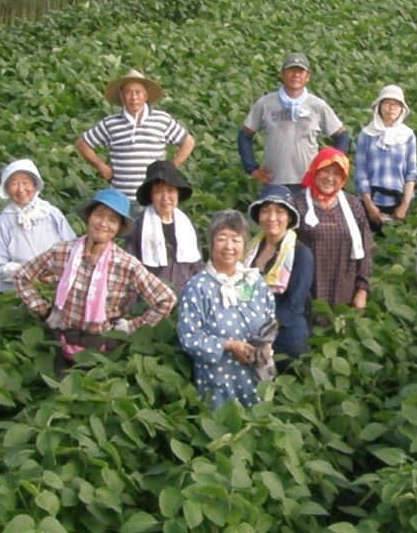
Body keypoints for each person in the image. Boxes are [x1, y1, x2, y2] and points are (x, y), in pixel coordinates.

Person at [12, 188, 177, 373]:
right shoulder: (62, 252)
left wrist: (133, 326)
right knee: (62, 394)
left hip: (104, 350)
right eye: (99, 215)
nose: (104, 224)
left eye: (112, 220)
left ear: (119, 228)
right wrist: (43, 310)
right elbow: (21, 276)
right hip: (62, 342)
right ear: (89, 217)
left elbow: (166, 298)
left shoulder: (126, 264)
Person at [178, 210, 281, 407]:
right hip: (218, 379)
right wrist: (230, 345)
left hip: (256, 375)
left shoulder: (251, 280)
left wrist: (266, 344)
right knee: (224, 431)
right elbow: (189, 337)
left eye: (236, 239)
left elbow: (269, 317)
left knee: (256, 428)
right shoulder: (198, 287)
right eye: (222, 239)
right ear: (211, 243)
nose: (229, 246)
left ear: (244, 245)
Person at [239, 53, 349, 189]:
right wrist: (252, 168)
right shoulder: (265, 103)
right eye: (291, 70)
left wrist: (331, 166)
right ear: (283, 74)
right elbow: (245, 134)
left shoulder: (317, 105)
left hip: (309, 181)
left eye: (300, 71)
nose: (296, 75)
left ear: (307, 76)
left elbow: (342, 135)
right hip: (274, 180)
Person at [76, 70, 193, 186]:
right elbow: (83, 144)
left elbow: (188, 142)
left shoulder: (162, 119)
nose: (134, 97)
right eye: (128, 93)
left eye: (138, 92)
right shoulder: (110, 123)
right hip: (121, 198)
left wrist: (173, 166)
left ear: (146, 95)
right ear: (122, 96)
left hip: (152, 198)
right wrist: (101, 167)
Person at [247, 185, 318, 368]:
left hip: (286, 334)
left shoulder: (301, 253)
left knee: (288, 381)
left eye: (279, 212)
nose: (272, 218)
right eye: (266, 211)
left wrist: (265, 331)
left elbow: (295, 303)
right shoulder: (251, 248)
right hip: (251, 327)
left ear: (289, 217)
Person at [299, 146, 377, 311]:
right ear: (315, 170)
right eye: (325, 171)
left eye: (337, 174)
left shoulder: (353, 204)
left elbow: (366, 247)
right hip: (305, 289)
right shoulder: (297, 203)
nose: (330, 178)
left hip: (345, 289)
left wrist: (362, 290)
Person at [0, 158, 74, 294]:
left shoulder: (51, 213)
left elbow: (72, 250)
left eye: (25, 182)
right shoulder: (4, 221)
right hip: (16, 291)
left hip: (53, 287)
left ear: (35, 184)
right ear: (7, 189)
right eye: (14, 184)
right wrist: (29, 272)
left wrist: (54, 274)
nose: (21, 189)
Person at [131, 160, 205, 295]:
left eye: (170, 190)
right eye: (158, 191)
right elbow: (130, 270)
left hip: (186, 297)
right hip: (151, 299)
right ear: (151, 196)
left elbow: (197, 267)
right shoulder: (138, 228)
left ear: (177, 194)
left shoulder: (188, 226)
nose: (165, 197)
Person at [355, 86, 417, 225]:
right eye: (387, 102)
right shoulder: (366, 135)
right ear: (379, 106)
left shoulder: (408, 136)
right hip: (370, 201)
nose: (392, 107)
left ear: (402, 109)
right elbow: (361, 173)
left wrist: (405, 204)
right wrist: (369, 205)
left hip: (399, 203)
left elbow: (411, 173)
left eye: (396, 104)